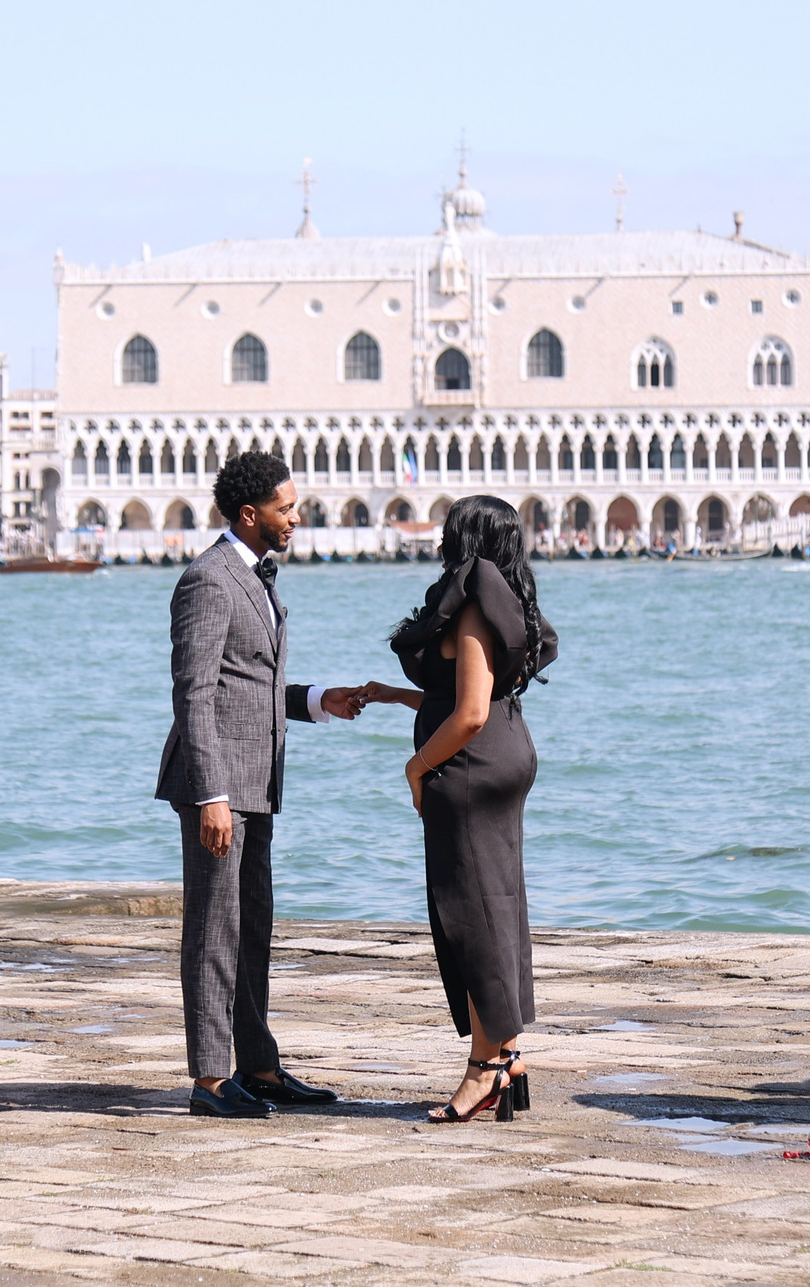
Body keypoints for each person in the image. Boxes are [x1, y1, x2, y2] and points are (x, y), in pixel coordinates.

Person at [156, 449, 367, 1119]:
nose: (296, 516)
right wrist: (212, 794)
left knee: (252, 929)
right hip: (218, 787)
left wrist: (313, 701)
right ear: (251, 515)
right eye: (286, 507)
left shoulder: (254, 578)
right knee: (214, 929)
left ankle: (259, 1065)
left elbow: (249, 686)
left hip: (258, 783)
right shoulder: (208, 580)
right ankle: (211, 1077)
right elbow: (194, 694)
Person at [363, 494, 559, 1123]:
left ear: (463, 538)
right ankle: (505, 1056)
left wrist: (416, 768)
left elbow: (469, 714)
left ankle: (483, 1071)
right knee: (496, 907)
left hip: (472, 769)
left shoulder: (473, 606)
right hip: (506, 754)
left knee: (471, 916)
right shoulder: (503, 600)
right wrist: (397, 696)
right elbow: (467, 698)